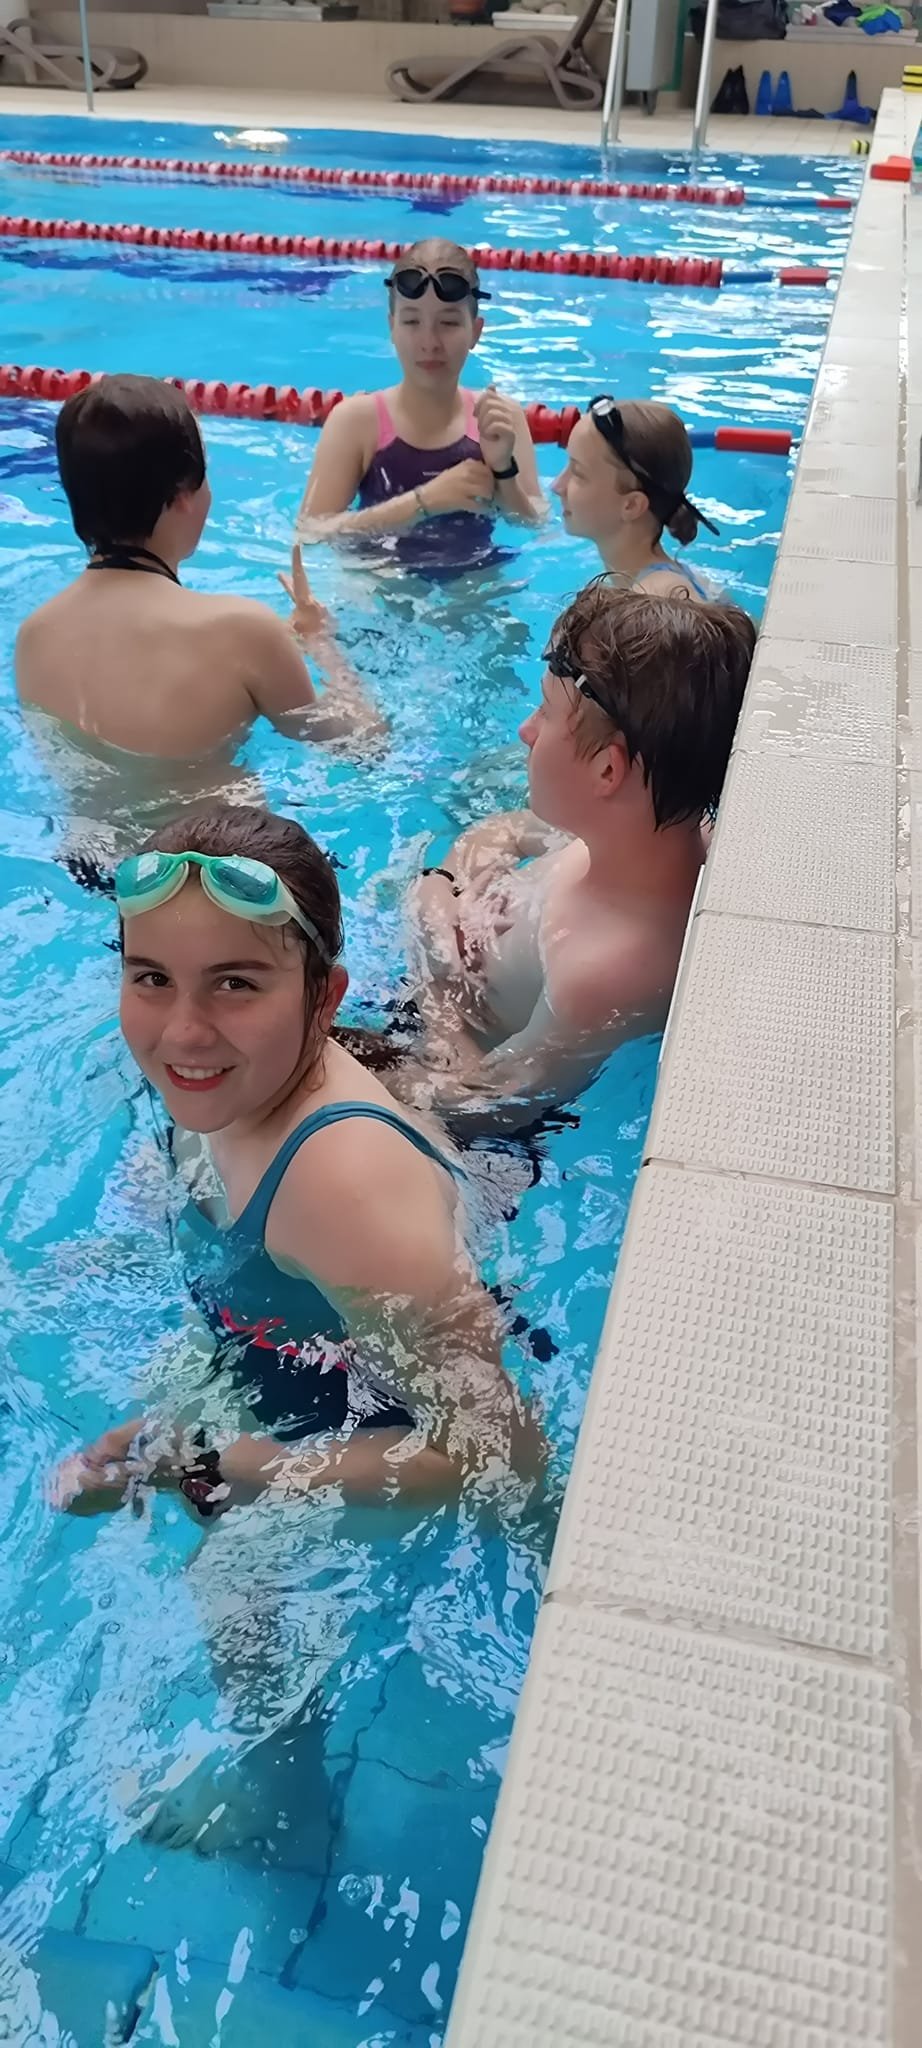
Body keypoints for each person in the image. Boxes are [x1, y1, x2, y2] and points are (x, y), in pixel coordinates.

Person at [55, 803, 546, 1521]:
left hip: (378, 1452)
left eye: (236, 983)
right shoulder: (226, 1079)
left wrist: (219, 1463)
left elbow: (506, 1459)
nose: (182, 1033)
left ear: (325, 998)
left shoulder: (343, 1190)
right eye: (152, 978)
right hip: (290, 1358)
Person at [389, 582, 756, 1132]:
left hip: (454, 1052)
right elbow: (506, 831)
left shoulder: (603, 973)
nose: (525, 731)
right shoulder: (648, 832)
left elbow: (481, 1105)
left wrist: (436, 977)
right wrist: (444, 880)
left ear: (607, 770)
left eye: (544, 712)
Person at [16, 376, 384, 859]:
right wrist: (322, 643)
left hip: (91, 868)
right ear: (183, 494)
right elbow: (364, 747)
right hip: (216, 877)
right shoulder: (240, 631)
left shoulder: (34, 636)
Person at [298, 238, 544, 577]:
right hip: (382, 586)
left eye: (449, 323)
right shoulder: (357, 421)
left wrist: (503, 470)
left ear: (475, 332)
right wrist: (424, 501)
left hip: (478, 586)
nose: (429, 342)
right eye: (412, 322)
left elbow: (533, 524)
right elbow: (310, 532)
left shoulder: (502, 418)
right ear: (392, 327)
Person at [554, 396, 717, 599]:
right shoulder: (692, 580)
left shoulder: (657, 598)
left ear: (631, 505)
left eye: (578, 473)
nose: (557, 486)